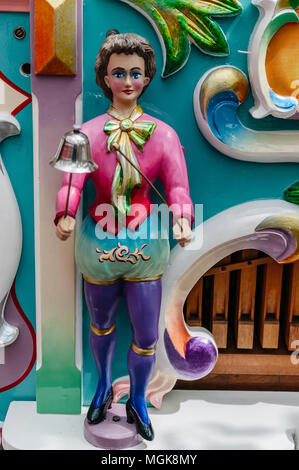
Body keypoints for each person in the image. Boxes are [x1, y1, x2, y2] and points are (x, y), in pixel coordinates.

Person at [54, 30, 194, 441]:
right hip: (98, 243)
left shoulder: (164, 135)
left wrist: (182, 218)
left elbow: (179, 188)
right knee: (100, 323)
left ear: (147, 77)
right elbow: (72, 184)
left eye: (135, 73)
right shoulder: (86, 133)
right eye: (119, 73)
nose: (128, 81)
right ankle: (101, 387)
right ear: (106, 79)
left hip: (147, 246)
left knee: (147, 334)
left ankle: (136, 397)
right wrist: (63, 213)